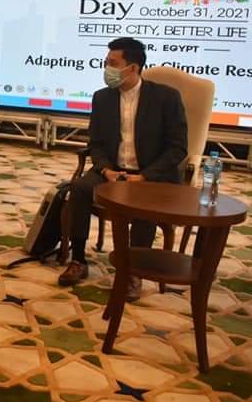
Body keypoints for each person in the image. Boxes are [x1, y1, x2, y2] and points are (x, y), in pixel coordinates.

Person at [58, 37, 187, 297]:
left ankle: (132, 272)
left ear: (133, 68)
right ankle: (78, 259)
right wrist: (106, 170)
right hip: (112, 170)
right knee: (80, 188)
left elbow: (178, 148)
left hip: (150, 175)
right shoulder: (102, 97)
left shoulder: (166, 97)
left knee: (143, 201)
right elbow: (96, 143)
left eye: (113, 63)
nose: (107, 68)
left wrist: (145, 176)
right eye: (106, 62)